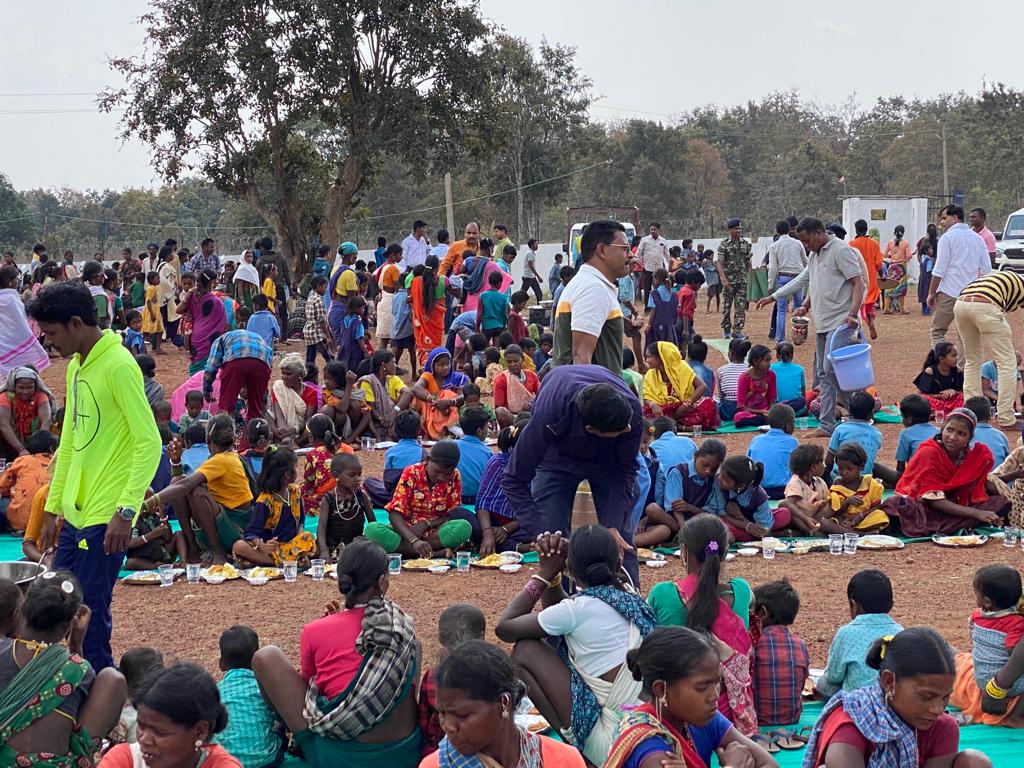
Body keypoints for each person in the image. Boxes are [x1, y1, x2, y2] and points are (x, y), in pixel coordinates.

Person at [28, 282, 162, 671]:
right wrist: (54, 507)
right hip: (74, 512)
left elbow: (149, 442)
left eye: (52, 333)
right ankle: (64, 681)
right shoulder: (75, 366)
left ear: (75, 323)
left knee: (89, 610)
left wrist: (125, 510)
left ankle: (100, 690)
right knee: (58, 600)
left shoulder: (119, 365)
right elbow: (70, 440)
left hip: (106, 516)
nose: (48, 342)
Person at [252, 539, 422, 767]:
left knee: (266, 657)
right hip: (406, 755)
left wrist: (330, 629)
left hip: (342, 759)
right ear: (382, 583)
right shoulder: (404, 629)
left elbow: (311, 688)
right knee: (417, 648)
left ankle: (286, 736)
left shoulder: (316, 631)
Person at [495, 527, 658, 764]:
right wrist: (554, 578)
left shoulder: (576, 610)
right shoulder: (629, 595)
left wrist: (545, 572)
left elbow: (505, 627)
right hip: (646, 727)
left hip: (616, 742)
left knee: (525, 650)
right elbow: (561, 615)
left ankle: (575, 744)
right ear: (618, 563)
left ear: (569, 568)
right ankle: (580, 742)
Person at [502, 365, 643, 581]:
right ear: (592, 431)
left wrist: (612, 524)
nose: (628, 433)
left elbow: (624, 472)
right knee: (554, 543)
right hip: (557, 459)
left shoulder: (629, 415)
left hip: (608, 464)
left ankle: (629, 601)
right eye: (619, 433)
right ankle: (562, 607)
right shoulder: (548, 416)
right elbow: (513, 479)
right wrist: (540, 531)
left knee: (619, 538)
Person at [804, 628, 992, 768]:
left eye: (945, 698)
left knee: (975, 762)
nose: (937, 709)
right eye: (927, 696)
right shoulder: (852, 723)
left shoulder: (941, 727)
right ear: (889, 681)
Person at [603, 626, 778, 768]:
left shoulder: (703, 718)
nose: (715, 696)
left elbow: (769, 765)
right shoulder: (650, 748)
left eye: (717, 683)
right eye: (702, 687)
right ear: (660, 690)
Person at [756, 217, 868, 436]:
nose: (806, 245)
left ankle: (859, 414)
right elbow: (805, 280)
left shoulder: (841, 251)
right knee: (823, 374)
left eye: (807, 240)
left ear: (818, 233)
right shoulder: (815, 255)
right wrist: (797, 303)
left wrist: (853, 314)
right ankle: (828, 425)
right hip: (823, 323)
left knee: (830, 370)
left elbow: (859, 283)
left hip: (842, 323)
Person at [3, 572, 127, 767]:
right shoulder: (77, 669)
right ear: (68, 625)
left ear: (21, 610)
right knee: (113, 679)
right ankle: (83, 759)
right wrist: (76, 643)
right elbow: (85, 712)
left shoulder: (3, 651)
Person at [647, 514, 757, 734]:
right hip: (730, 713)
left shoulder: (663, 593)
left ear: (684, 553)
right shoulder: (741, 591)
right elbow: (754, 603)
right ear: (724, 553)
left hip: (679, 712)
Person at [421, 639, 584, 768]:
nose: (448, 726)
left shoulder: (562, 761)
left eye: (462, 715)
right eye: (442, 713)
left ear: (503, 703)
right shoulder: (435, 765)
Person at [144, 413, 254, 564]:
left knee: (197, 493)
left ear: (209, 441)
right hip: (228, 525)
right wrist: (176, 462)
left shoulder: (221, 460)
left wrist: (151, 501)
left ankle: (217, 552)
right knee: (181, 482)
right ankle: (193, 549)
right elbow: (181, 482)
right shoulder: (226, 458)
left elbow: (186, 485)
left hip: (236, 531)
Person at [883, 407, 1008, 535]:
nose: (953, 437)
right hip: (923, 504)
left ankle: (955, 522)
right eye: (949, 430)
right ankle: (960, 522)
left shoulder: (967, 456)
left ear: (969, 438)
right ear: (942, 429)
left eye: (961, 434)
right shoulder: (930, 451)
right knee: (895, 505)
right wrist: (977, 513)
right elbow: (933, 500)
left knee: (999, 502)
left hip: (951, 504)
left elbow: (972, 490)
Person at [100, 663, 240, 768]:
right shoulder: (124, 761)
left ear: (199, 731)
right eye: (141, 726)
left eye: (160, 732)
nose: (145, 739)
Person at [366, 440, 479, 556]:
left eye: (447, 474)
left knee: (464, 527)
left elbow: (452, 514)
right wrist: (413, 540)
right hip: (406, 532)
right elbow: (394, 514)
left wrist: (426, 525)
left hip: (435, 533)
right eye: (438, 471)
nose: (441, 477)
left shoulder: (455, 476)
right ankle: (433, 553)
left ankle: (408, 551)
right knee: (372, 530)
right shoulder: (412, 472)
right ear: (428, 460)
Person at [551, 220, 629, 375]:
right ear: (602, 250)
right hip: (593, 393)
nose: (630, 255)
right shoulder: (593, 288)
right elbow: (581, 358)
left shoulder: (592, 284)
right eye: (625, 249)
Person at [951, 564, 1024, 727]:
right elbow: (1013, 650)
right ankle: (1015, 717)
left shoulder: (977, 615)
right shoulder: (1016, 622)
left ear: (987, 602)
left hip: (981, 679)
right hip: (1001, 685)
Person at [814, 569, 905, 698]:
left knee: (824, 684)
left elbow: (834, 677)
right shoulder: (900, 633)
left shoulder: (845, 633)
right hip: (891, 699)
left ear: (853, 604)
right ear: (891, 605)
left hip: (856, 702)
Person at [954, 270, 1024, 428]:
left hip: (961, 305)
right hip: (986, 305)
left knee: (972, 360)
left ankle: (972, 414)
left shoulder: (1003, 277)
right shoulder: (1020, 286)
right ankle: (1006, 418)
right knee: (1007, 363)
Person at [417, 604, 486, 757]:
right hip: (481, 752)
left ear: (441, 638)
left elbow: (423, 721)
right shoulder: (490, 675)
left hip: (437, 752)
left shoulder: (432, 676)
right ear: (481, 637)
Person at [216, 626, 286, 768]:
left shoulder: (215, 692)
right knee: (279, 727)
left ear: (222, 664)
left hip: (227, 763)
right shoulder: (263, 686)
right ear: (257, 659)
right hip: (266, 761)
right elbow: (284, 717)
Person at [233, 446, 316, 567]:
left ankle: (288, 560)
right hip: (272, 550)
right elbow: (251, 533)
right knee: (239, 546)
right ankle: (288, 561)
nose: (298, 471)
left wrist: (300, 538)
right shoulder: (265, 501)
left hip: (293, 547)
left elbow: (301, 521)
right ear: (287, 475)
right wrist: (264, 547)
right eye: (296, 468)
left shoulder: (295, 493)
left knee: (309, 538)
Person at [929, 204, 992, 352]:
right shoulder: (978, 239)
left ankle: (944, 365)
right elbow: (987, 270)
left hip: (949, 292)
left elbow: (939, 270)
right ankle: (964, 372)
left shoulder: (947, 238)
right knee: (965, 336)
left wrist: (931, 293)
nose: (942, 222)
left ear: (955, 218)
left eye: (944, 218)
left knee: (937, 331)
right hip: (971, 294)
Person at [751, 579, 809, 728]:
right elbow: (800, 685)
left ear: (762, 613)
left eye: (751, 612)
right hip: (792, 720)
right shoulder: (800, 645)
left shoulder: (752, 643)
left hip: (757, 721)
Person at [474, 419, 530, 554]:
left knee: (546, 527)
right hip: (490, 521)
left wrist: (505, 529)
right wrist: (487, 533)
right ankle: (513, 546)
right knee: (462, 517)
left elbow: (534, 509)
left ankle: (509, 545)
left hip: (518, 524)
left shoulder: (537, 468)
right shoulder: (498, 463)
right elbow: (483, 501)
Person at [203, 325, 274, 421]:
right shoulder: (251, 336)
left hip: (236, 360)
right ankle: (254, 432)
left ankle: (223, 433)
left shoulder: (218, 341)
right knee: (256, 409)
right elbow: (268, 362)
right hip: (263, 362)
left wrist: (207, 390)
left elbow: (211, 367)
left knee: (226, 407)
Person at [641, 341, 718, 429]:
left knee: (709, 403)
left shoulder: (681, 367)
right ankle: (679, 426)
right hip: (661, 410)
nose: (646, 360)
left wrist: (686, 405)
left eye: (648, 357)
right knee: (643, 411)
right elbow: (645, 395)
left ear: (660, 357)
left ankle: (673, 425)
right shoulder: (650, 374)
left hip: (683, 408)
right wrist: (653, 405)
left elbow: (702, 387)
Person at [317, 453, 374, 560]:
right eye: (352, 475)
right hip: (333, 546)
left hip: (356, 545)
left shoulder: (361, 496)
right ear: (336, 476)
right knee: (313, 548)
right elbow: (321, 528)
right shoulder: (329, 499)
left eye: (359, 475)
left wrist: (365, 537)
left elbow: (373, 525)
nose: (357, 479)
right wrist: (324, 551)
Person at [824, 443, 890, 534]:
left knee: (880, 516)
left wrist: (860, 516)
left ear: (861, 467)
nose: (844, 472)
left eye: (849, 469)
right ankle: (860, 534)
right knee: (827, 523)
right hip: (843, 521)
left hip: (863, 519)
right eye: (840, 468)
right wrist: (847, 502)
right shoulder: (837, 483)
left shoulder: (870, 484)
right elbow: (836, 511)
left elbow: (877, 507)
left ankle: (852, 532)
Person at [0, 429, 54, 531]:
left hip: (18, 522)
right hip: (47, 525)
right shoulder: (56, 463)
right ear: (51, 450)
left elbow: (2, 485)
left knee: (4, 502)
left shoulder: (22, 461)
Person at [824, 390, 886, 480]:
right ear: (872, 413)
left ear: (849, 410)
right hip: (864, 479)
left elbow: (828, 461)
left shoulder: (841, 429)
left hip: (839, 478)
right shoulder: (876, 433)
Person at [0, 265, 48, 379]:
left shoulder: (6, 298)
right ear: (9, 282)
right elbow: (20, 323)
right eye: (16, 279)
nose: (18, 281)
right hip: (16, 340)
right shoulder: (11, 299)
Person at [0, 365, 54, 460]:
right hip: (8, 442)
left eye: (30, 388)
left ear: (35, 386)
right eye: (21, 387)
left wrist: (38, 448)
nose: (25, 391)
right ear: (14, 386)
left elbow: (46, 420)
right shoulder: (6, 397)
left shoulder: (40, 396)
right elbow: (3, 424)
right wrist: (20, 449)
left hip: (32, 441)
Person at [766, 219, 808, 342]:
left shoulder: (774, 246)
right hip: (798, 277)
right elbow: (805, 261)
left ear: (776, 231)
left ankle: (780, 339)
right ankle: (799, 336)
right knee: (799, 307)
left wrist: (770, 283)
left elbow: (773, 267)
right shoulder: (798, 243)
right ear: (790, 229)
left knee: (781, 309)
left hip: (782, 277)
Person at [747, 404, 797, 499]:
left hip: (759, 490)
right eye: (793, 422)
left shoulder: (756, 440)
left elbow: (748, 462)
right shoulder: (792, 441)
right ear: (788, 425)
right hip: (784, 490)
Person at [411, 255, 452, 367]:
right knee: (436, 344)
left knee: (422, 342)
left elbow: (407, 284)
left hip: (422, 320)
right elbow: (456, 292)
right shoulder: (444, 280)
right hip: (437, 321)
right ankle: (434, 365)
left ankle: (425, 365)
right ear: (437, 267)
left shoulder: (416, 281)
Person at [716, 218, 753, 340]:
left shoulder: (745, 244)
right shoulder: (724, 244)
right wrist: (724, 279)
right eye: (736, 228)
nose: (739, 231)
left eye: (740, 228)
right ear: (730, 230)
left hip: (742, 280)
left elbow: (748, 262)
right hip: (729, 281)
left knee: (740, 306)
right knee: (726, 306)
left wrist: (750, 277)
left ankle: (737, 331)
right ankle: (726, 331)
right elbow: (719, 263)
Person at [269, 353, 318, 445]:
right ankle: (283, 439)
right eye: (283, 373)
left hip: (301, 429)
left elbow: (308, 420)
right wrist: (285, 434)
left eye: (289, 374)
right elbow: (279, 415)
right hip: (281, 428)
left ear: (299, 375)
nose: (284, 377)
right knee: (264, 413)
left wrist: (294, 429)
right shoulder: (279, 387)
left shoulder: (311, 392)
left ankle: (296, 442)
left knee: (315, 421)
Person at [848, 219, 885, 340]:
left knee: (858, 305)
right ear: (866, 228)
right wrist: (881, 275)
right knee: (869, 305)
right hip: (871, 280)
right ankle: (871, 321)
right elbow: (879, 263)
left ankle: (859, 327)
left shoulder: (851, 244)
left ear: (856, 229)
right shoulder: (874, 244)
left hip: (857, 279)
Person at [915, 340, 965, 420]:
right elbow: (920, 394)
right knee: (924, 399)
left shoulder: (957, 370)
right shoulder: (930, 371)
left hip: (951, 401)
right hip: (935, 401)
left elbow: (962, 390)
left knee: (963, 397)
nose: (957, 358)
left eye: (956, 355)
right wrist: (941, 395)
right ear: (942, 359)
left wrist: (953, 391)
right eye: (953, 356)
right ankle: (951, 413)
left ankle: (940, 413)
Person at [895, 394, 939, 477]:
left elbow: (900, 465)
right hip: (937, 477)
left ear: (909, 419)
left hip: (916, 478)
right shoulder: (938, 431)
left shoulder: (906, 433)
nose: (902, 420)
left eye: (902, 417)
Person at [734, 344, 778, 428]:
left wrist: (771, 411)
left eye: (769, 360)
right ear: (755, 361)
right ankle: (767, 420)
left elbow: (772, 400)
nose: (769, 364)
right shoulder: (744, 378)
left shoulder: (771, 375)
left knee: (795, 403)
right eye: (766, 360)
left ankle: (769, 419)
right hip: (750, 412)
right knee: (738, 417)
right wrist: (759, 412)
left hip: (766, 411)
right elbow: (741, 406)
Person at [493, 343, 539, 416]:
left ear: (523, 359)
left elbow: (541, 396)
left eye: (516, 361)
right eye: (509, 362)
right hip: (512, 416)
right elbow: (499, 406)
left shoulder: (532, 376)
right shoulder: (500, 379)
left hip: (532, 413)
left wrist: (532, 404)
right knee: (500, 411)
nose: (512, 364)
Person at [966, 396, 1010, 467]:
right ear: (989, 414)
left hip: (974, 476)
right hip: (999, 476)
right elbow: (1008, 461)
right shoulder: (1000, 435)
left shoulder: (965, 435)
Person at [644, 267, 679, 348]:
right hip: (670, 328)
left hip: (657, 327)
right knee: (669, 349)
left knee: (657, 349)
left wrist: (649, 325)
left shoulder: (654, 293)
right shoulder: (674, 294)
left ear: (657, 279)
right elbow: (676, 311)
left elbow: (653, 311)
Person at [883, 224, 912, 314]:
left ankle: (886, 308)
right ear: (903, 233)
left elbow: (885, 255)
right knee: (901, 288)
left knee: (889, 287)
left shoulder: (890, 242)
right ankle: (902, 309)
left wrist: (892, 256)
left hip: (892, 267)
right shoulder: (905, 243)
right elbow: (909, 256)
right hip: (901, 267)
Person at [477, 269, 510, 344]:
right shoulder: (503, 296)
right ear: (500, 283)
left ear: (489, 282)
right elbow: (504, 313)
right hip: (499, 325)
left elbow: (479, 314)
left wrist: (477, 327)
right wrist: (505, 325)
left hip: (487, 325)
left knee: (485, 347)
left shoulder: (482, 296)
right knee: (496, 349)